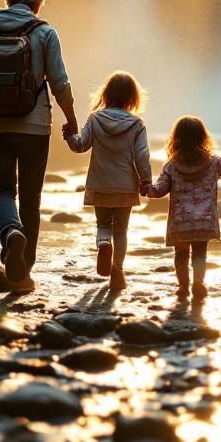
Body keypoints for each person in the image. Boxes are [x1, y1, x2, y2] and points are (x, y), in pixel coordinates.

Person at [0, 0, 77, 292]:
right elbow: (60, 82)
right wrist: (71, 118)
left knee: (3, 191)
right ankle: (22, 273)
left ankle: (10, 234)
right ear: (37, 3)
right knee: (31, 199)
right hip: (35, 125)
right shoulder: (45, 32)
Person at [142, 116, 221, 299]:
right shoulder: (213, 163)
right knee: (200, 254)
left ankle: (183, 287)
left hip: (180, 223)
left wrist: (147, 189)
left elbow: (159, 190)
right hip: (204, 221)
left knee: (181, 255)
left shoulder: (171, 166)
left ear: (176, 139)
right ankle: (198, 283)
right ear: (203, 137)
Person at [64, 71, 151, 291]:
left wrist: (69, 137)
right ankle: (117, 271)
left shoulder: (96, 118)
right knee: (121, 230)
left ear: (107, 94)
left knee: (103, 225)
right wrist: (146, 181)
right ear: (132, 98)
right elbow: (142, 156)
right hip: (125, 186)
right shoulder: (136, 124)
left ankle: (103, 244)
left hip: (100, 184)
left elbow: (81, 145)